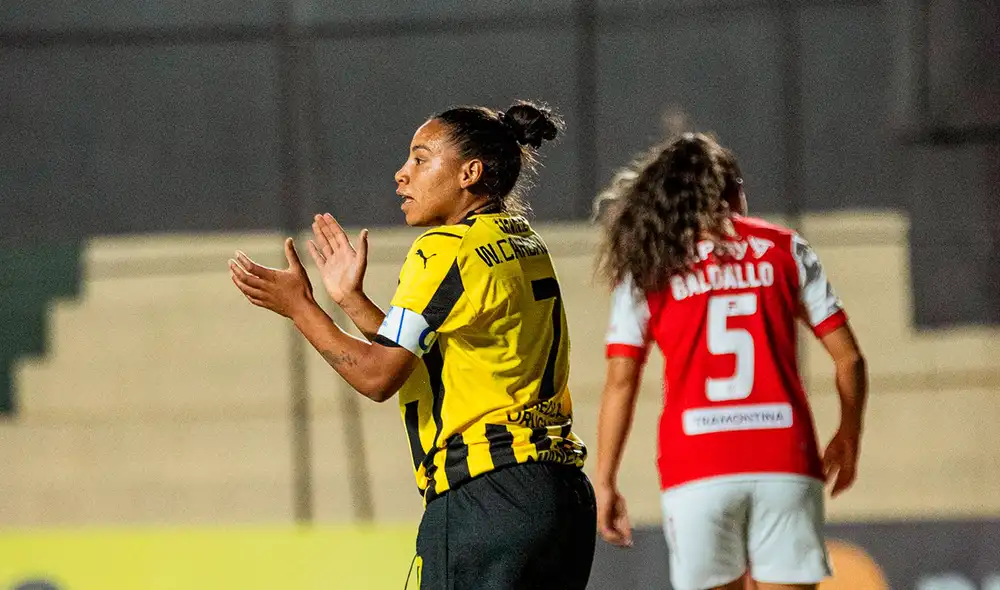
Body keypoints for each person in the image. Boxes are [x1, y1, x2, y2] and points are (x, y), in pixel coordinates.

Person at [229, 100, 596, 589]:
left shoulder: (444, 248)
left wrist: (300, 307)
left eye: (421, 159)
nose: (402, 174)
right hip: (561, 497)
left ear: (469, 173)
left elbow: (378, 376)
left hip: (489, 498)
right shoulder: (521, 240)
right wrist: (351, 300)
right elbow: (425, 358)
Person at [592, 133, 868, 590]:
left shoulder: (651, 263)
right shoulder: (783, 248)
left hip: (697, 466)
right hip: (784, 457)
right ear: (733, 190)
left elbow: (621, 382)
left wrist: (604, 481)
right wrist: (849, 435)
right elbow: (850, 359)